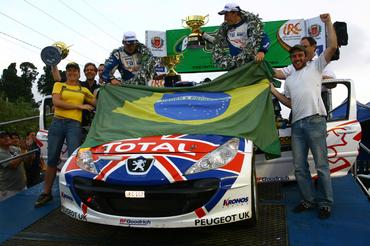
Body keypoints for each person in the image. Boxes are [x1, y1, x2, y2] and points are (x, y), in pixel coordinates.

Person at [271, 13, 338, 219]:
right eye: (293, 57)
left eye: (300, 55)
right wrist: (273, 90)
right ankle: (307, 200)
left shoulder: (316, 66)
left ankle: (325, 203)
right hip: (297, 125)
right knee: (299, 167)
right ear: (291, 59)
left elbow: (333, 47)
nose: (297, 58)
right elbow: (289, 103)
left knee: (321, 165)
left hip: (316, 121)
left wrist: (328, 23)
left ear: (306, 56)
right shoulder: (290, 79)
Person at [34, 62, 96, 207]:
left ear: (79, 74)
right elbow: (57, 102)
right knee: (52, 158)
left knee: (74, 158)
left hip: (74, 125)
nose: (72, 73)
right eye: (69, 70)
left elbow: (97, 102)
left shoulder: (84, 89)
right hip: (58, 123)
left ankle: (75, 194)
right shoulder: (59, 85)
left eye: (75, 70)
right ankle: (46, 192)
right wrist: (80, 106)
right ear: (66, 73)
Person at [202, 2, 270, 70]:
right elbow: (217, 42)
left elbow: (263, 37)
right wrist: (203, 35)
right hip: (235, 67)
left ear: (235, 13)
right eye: (224, 16)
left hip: (252, 64)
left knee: (273, 73)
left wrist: (262, 51)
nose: (225, 19)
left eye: (227, 15)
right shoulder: (226, 29)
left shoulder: (249, 25)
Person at [51, 62, 100, 139]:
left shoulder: (101, 88)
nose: (89, 71)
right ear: (83, 73)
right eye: (87, 70)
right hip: (79, 123)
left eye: (91, 70)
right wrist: (54, 62)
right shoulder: (78, 84)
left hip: (96, 124)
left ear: (96, 72)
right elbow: (58, 79)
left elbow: (101, 104)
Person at [0, 131, 27, 201]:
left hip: (22, 186)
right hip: (9, 190)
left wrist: (30, 145)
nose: (6, 138)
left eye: (7, 136)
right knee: (10, 211)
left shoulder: (13, 148)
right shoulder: (0, 153)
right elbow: (14, 165)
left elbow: (26, 158)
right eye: (2, 137)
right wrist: (24, 150)